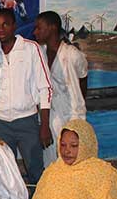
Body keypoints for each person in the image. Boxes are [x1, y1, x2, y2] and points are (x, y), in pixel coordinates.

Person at [0, 8, 53, 184]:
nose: (1, 29)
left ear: (14, 26)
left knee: (35, 170)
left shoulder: (31, 48)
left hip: (27, 121)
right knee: (6, 174)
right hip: (1, 123)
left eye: (5, 25)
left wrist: (44, 125)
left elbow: (45, 87)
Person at [33, 11, 88, 168]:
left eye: (39, 28)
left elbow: (83, 79)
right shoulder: (40, 53)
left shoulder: (72, 54)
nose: (35, 32)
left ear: (52, 28)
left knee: (75, 162)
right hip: (50, 118)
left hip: (72, 115)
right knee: (51, 164)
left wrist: (78, 105)